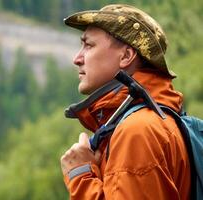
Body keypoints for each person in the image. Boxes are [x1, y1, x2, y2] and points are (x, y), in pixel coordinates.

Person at [60, 4, 191, 200]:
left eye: (89, 45)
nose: (77, 58)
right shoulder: (152, 121)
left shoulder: (137, 131)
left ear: (126, 56)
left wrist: (80, 176)